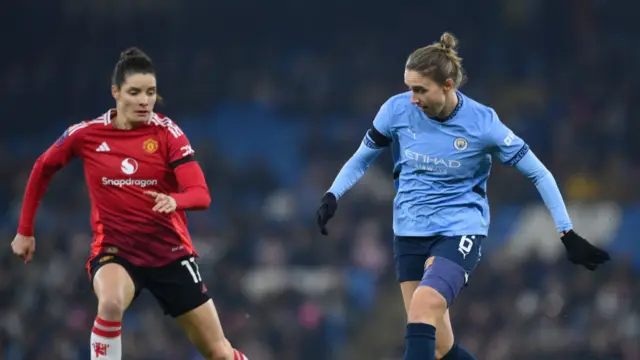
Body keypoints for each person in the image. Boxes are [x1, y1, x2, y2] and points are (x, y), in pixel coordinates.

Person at [316, 32, 610, 360]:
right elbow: (363, 156)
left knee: (424, 307)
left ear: (448, 85)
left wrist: (566, 232)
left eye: (420, 90)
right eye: (409, 88)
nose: (412, 99)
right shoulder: (396, 111)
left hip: (459, 230)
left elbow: (538, 172)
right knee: (440, 346)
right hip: (409, 234)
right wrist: (333, 193)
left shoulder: (483, 124)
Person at [10, 47, 247, 360]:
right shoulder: (87, 134)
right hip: (116, 253)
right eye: (134, 92)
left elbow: (201, 194)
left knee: (219, 352)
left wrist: (174, 200)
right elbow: (43, 167)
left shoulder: (168, 133)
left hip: (170, 254)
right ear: (116, 93)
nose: (144, 100)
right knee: (109, 304)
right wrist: (24, 230)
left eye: (150, 92)